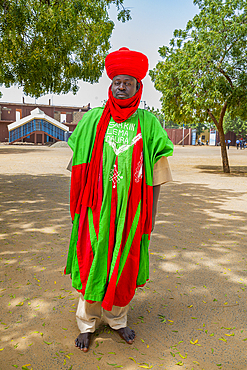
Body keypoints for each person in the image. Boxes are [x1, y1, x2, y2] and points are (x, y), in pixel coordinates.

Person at [64, 47, 174, 352]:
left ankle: (117, 321)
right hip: (96, 210)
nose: (121, 86)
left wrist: (150, 215)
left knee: (122, 264)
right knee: (93, 260)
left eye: (128, 82)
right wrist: (79, 206)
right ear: (110, 86)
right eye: (117, 82)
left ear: (138, 87)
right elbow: (77, 166)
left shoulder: (149, 124)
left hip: (131, 213)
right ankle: (87, 323)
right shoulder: (93, 120)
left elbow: (158, 172)